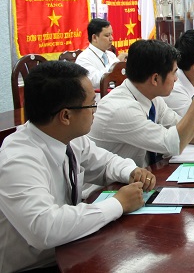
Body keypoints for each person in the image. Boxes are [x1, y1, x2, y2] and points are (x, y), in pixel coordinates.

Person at [0, 61, 155, 272]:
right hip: (36, 266)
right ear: (66, 116)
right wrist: (118, 204)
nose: (95, 112)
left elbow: (105, 162)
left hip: (74, 248)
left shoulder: (67, 137)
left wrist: (131, 171)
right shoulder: (18, 159)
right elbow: (44, 229)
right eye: (92, 105)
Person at [89, 39, 194, 167]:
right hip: (106, 187)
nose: (176, 79)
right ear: (155, 79)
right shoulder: (122, 109)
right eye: (174, 72)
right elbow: (173, 143)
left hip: (137, 178)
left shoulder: (151, 97)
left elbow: (177, 126)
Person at [76, 18, 128, 88]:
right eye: (107, 35)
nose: (111, 38)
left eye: (111, 34)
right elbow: (95, 81)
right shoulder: (83, 58)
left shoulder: (111, 55)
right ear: (94, 37)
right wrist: (117, 63)